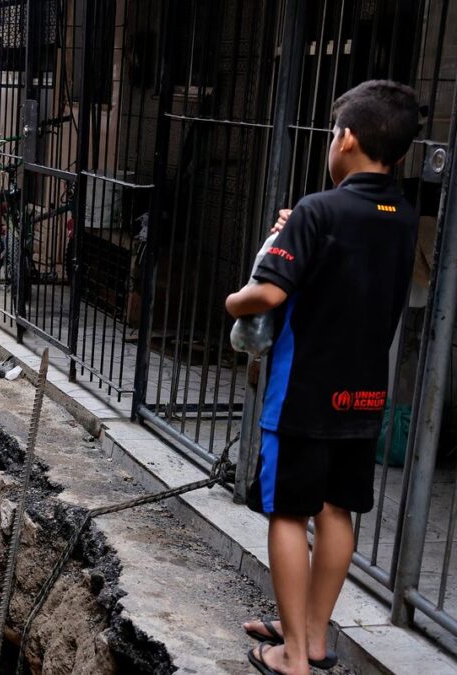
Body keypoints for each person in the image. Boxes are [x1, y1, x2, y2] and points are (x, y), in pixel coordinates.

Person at [225, 80, 421, 675]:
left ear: (349, 139)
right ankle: (310, 637)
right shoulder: (402, 215)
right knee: (337, 512)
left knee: (288, 513)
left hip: (304, 390)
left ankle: (291, 658)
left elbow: (270, 292)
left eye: (334, 134)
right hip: (363, 394)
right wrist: (303, 230)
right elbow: (343, 262)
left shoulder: (319, 209)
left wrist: (233, 301)